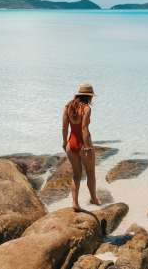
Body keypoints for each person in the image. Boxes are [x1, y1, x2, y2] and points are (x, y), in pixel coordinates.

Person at [62, 83, 101, 211]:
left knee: (76, 175)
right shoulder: (86, 108)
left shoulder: (68, 106)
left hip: (70, 143)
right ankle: (94, 199)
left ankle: (75, 203)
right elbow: (84, 128)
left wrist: (64, 142)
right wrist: (88, 147)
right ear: (89, 96)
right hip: (83, 144)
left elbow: (64, 127)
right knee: (90, 173)